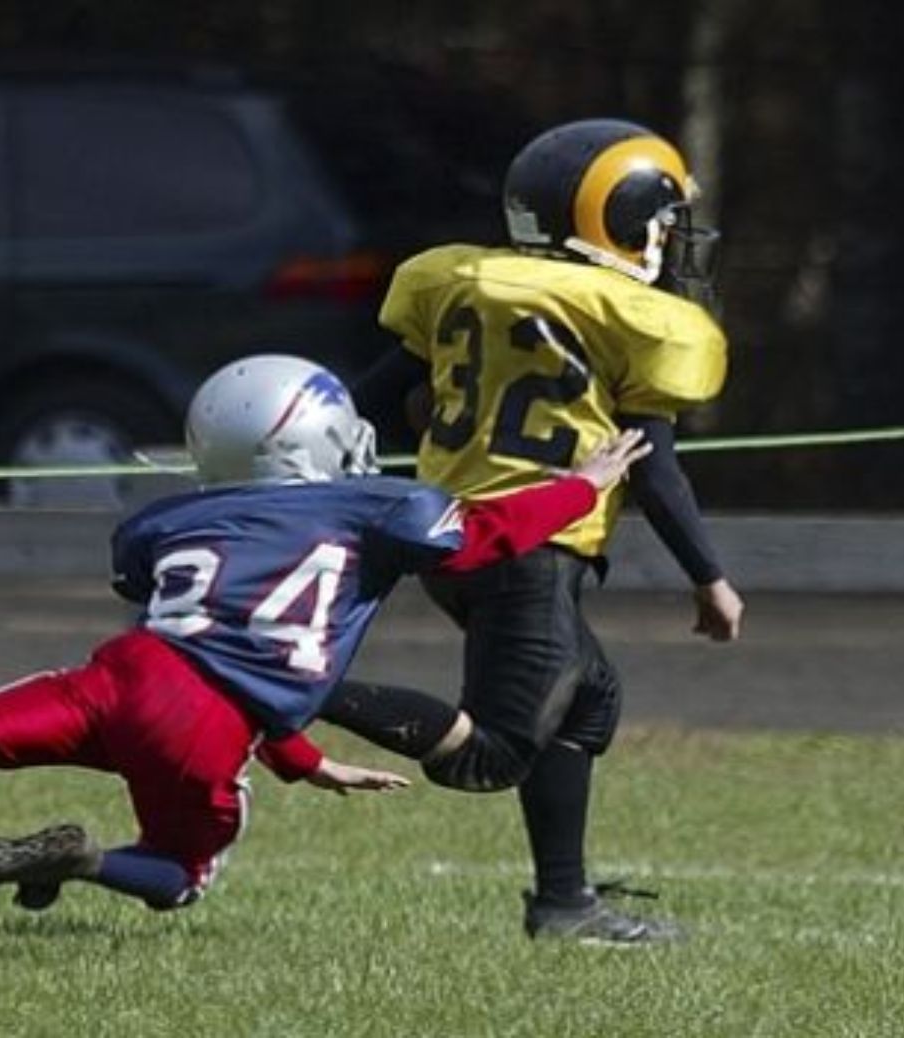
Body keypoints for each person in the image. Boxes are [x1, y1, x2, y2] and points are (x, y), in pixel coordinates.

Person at [0, 353, 650, 913]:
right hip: (202, 721)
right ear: (318, 440)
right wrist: (580, 487)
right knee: (180, 875)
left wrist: (306, 759)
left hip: (124, 671)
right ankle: (87, 862)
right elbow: (483, 540)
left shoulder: (171, 519)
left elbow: (217, 642)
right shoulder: (375, 508)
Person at [323, 118, 745, 945]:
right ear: (618, 221)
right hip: (532, 547)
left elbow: (370, 395)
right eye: (663, 220)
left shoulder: (464, 278)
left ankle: (565, 901)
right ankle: (292, 692)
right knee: (493, 751)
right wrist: (709, 575)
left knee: (589, 699)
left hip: (450, 538)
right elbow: (652, 466)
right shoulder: (626, 314)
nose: (672, 237)